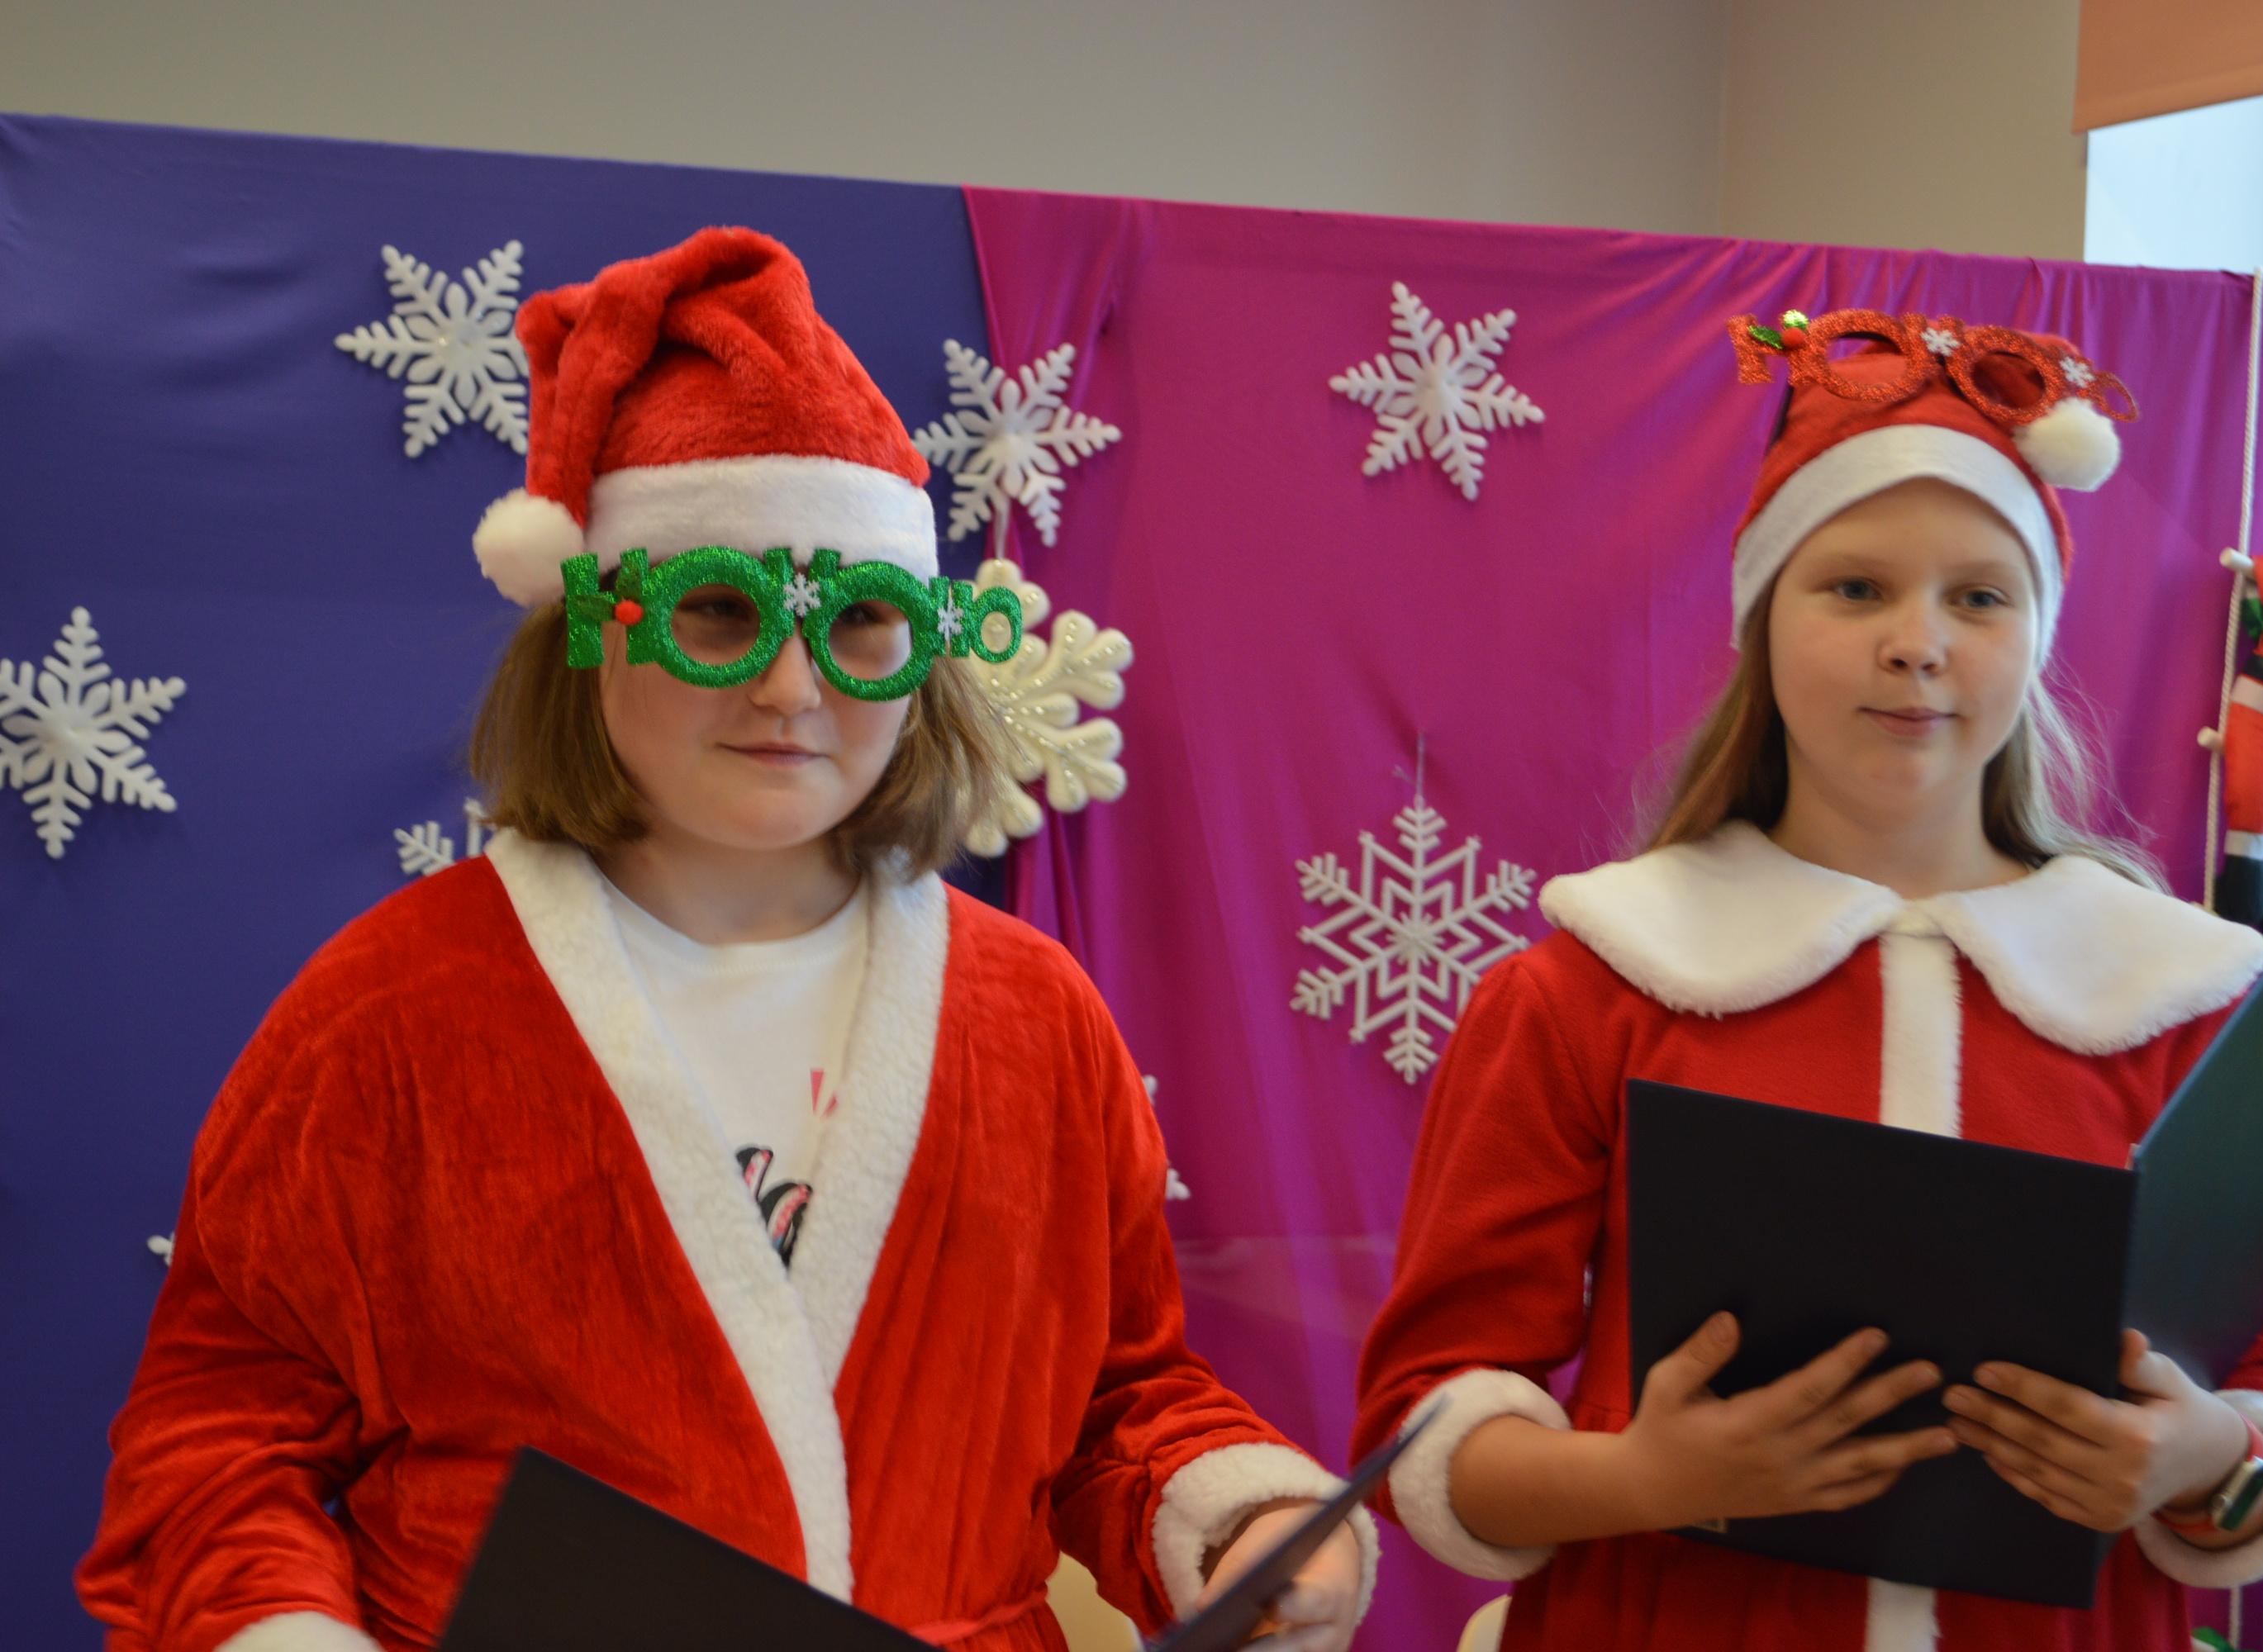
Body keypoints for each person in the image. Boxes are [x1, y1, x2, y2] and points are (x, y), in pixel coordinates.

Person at [80, 227, 1371, 1652]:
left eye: (864, 621)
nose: (792, 687)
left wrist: (1236, 1522)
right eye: (717, 611)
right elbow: (221, 1437)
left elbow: (1117, 1397)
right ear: (593, 631)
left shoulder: (1035, 1018)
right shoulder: (391, 1010)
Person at [1352, 308, 2263, 1651]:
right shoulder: (1591, 990)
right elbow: (1427, 1424)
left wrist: (2206, 1458)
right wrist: (1649, 1479)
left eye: (1979, 597)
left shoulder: (2190, 1002)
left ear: (2037, 636)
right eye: (1855, 588)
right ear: (1763, 621)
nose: (1917, 643)